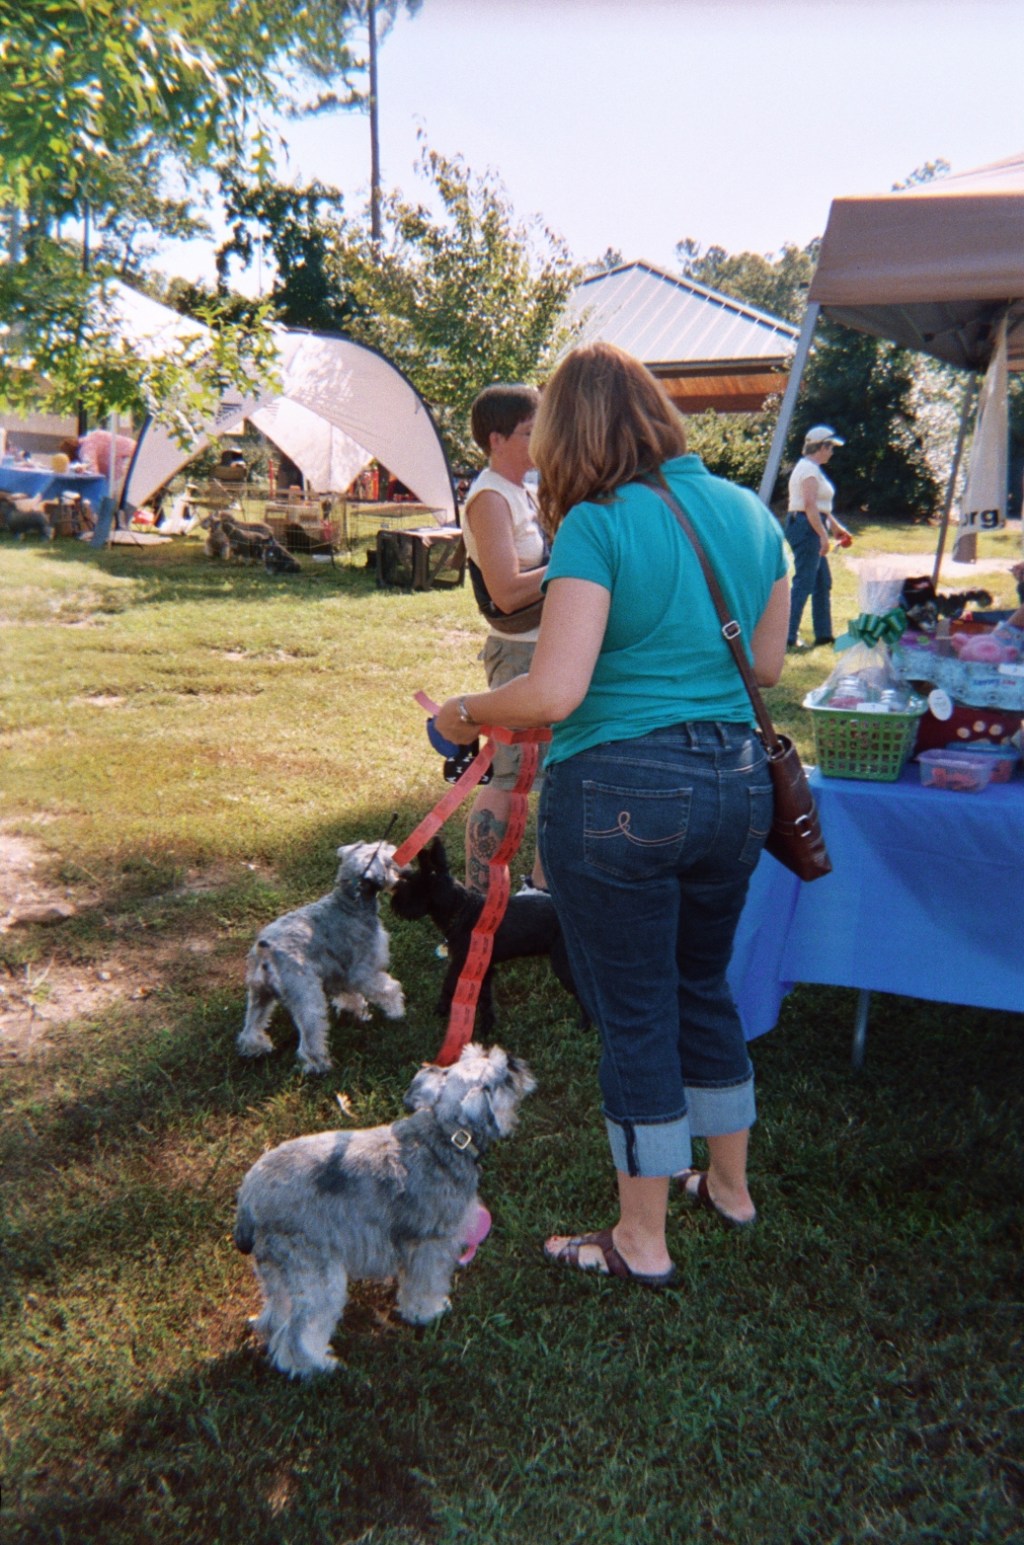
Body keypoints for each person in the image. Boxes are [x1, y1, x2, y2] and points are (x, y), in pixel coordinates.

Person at [435, 343, 789, 1286]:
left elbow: (553, 692)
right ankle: (730, 1186)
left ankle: (641, 1238)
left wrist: (463, 712)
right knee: (703, 983)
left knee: (636, 1010)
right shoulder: (753, 513)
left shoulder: (596, 523)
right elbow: (766, 667)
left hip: (623, 789)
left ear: (569, 434)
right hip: (739, 783)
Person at [459, 383, 549, 895]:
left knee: (553, 773)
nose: (540, 442)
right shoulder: (490, 498)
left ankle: (538, 892)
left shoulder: (522, 489)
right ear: (496, 438)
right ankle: (478, 899)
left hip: (544, 649)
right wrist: (575, 566)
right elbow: (507, 593)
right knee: (510, 778)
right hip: (518, 655)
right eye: (529, 433)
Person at [784, 425, 852, 649]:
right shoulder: (808, 471)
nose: (832, 451)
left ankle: (823, 635)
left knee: (822, 581)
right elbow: (809, 505)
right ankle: (788, 636)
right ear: (821, 447)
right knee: (804, 581)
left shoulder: (813, 468)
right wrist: (823, 536)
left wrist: (834, 526)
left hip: (811, 523)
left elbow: (821, 508)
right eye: (830, 447)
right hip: (805, 526)